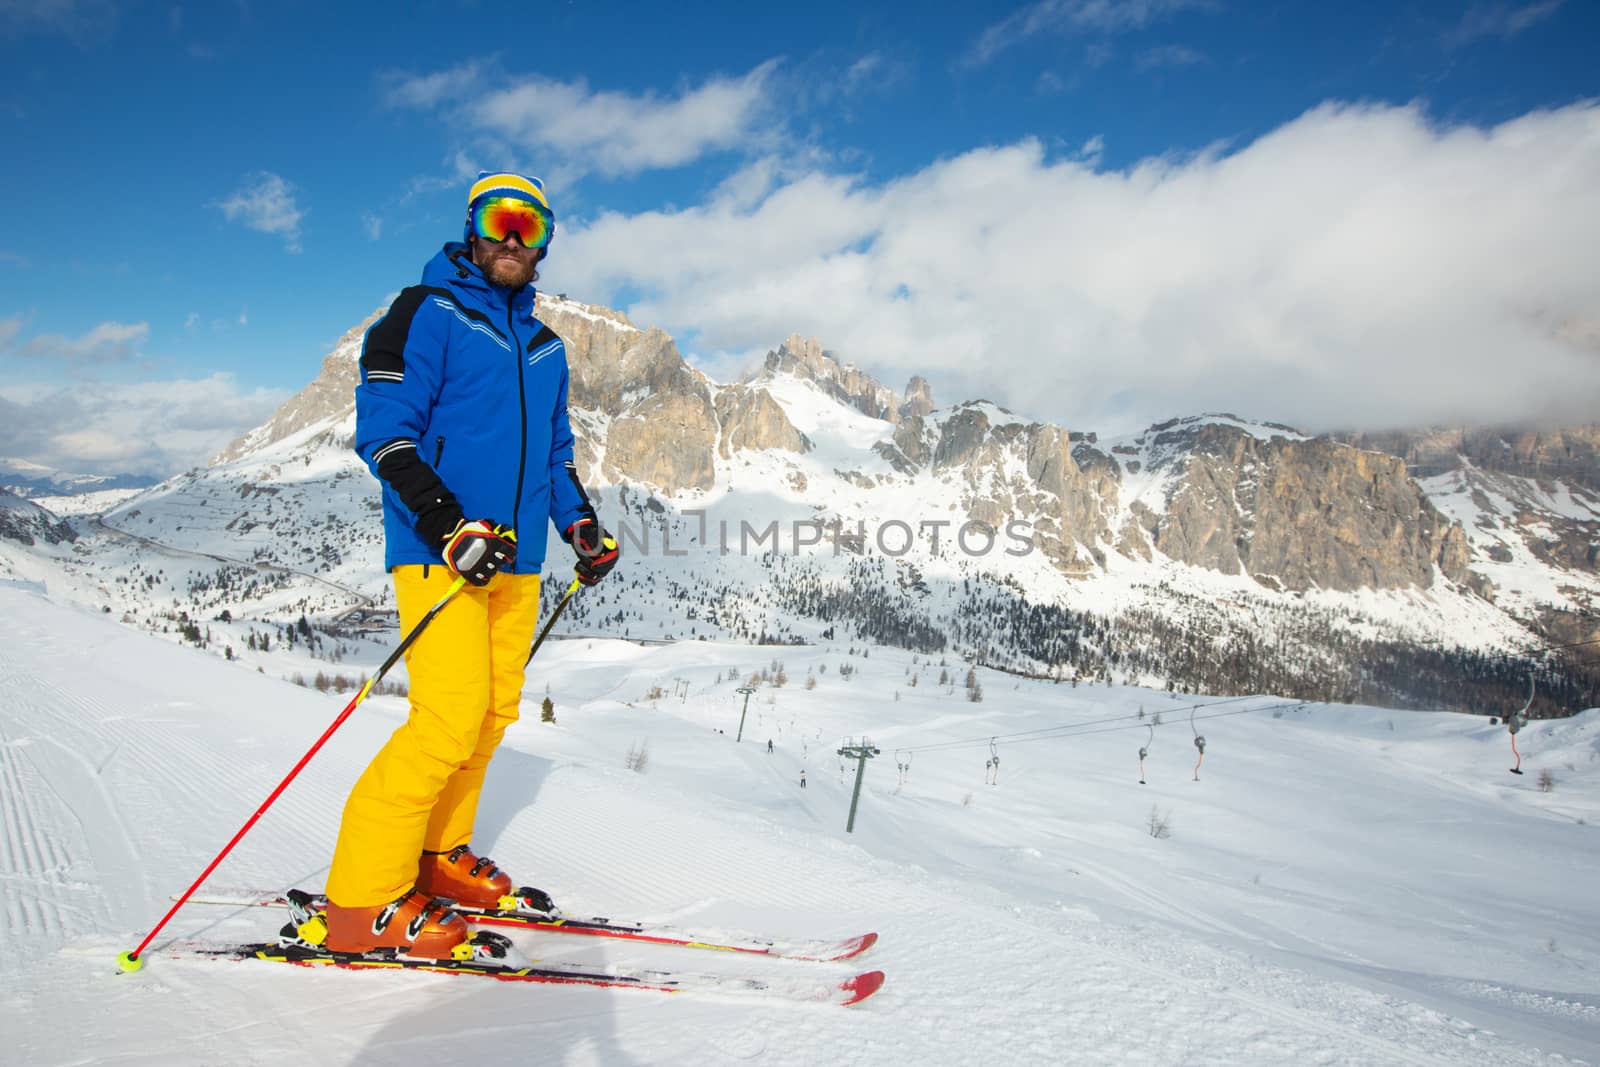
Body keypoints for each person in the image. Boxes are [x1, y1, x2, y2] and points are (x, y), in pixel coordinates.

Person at [322, 171, 619, 959]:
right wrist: (448, 524)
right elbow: (385, 433)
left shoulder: (546, 347)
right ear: (472, 228)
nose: (515, 240)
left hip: (516, 564)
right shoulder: (425, 312)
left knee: (488, 720)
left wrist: (581, 527)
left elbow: (554, 454)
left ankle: (437, 855)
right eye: (501, 220)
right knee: (444, 720)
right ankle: (362, 897)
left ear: (547, 239)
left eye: (532, 225)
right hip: (441, 553)